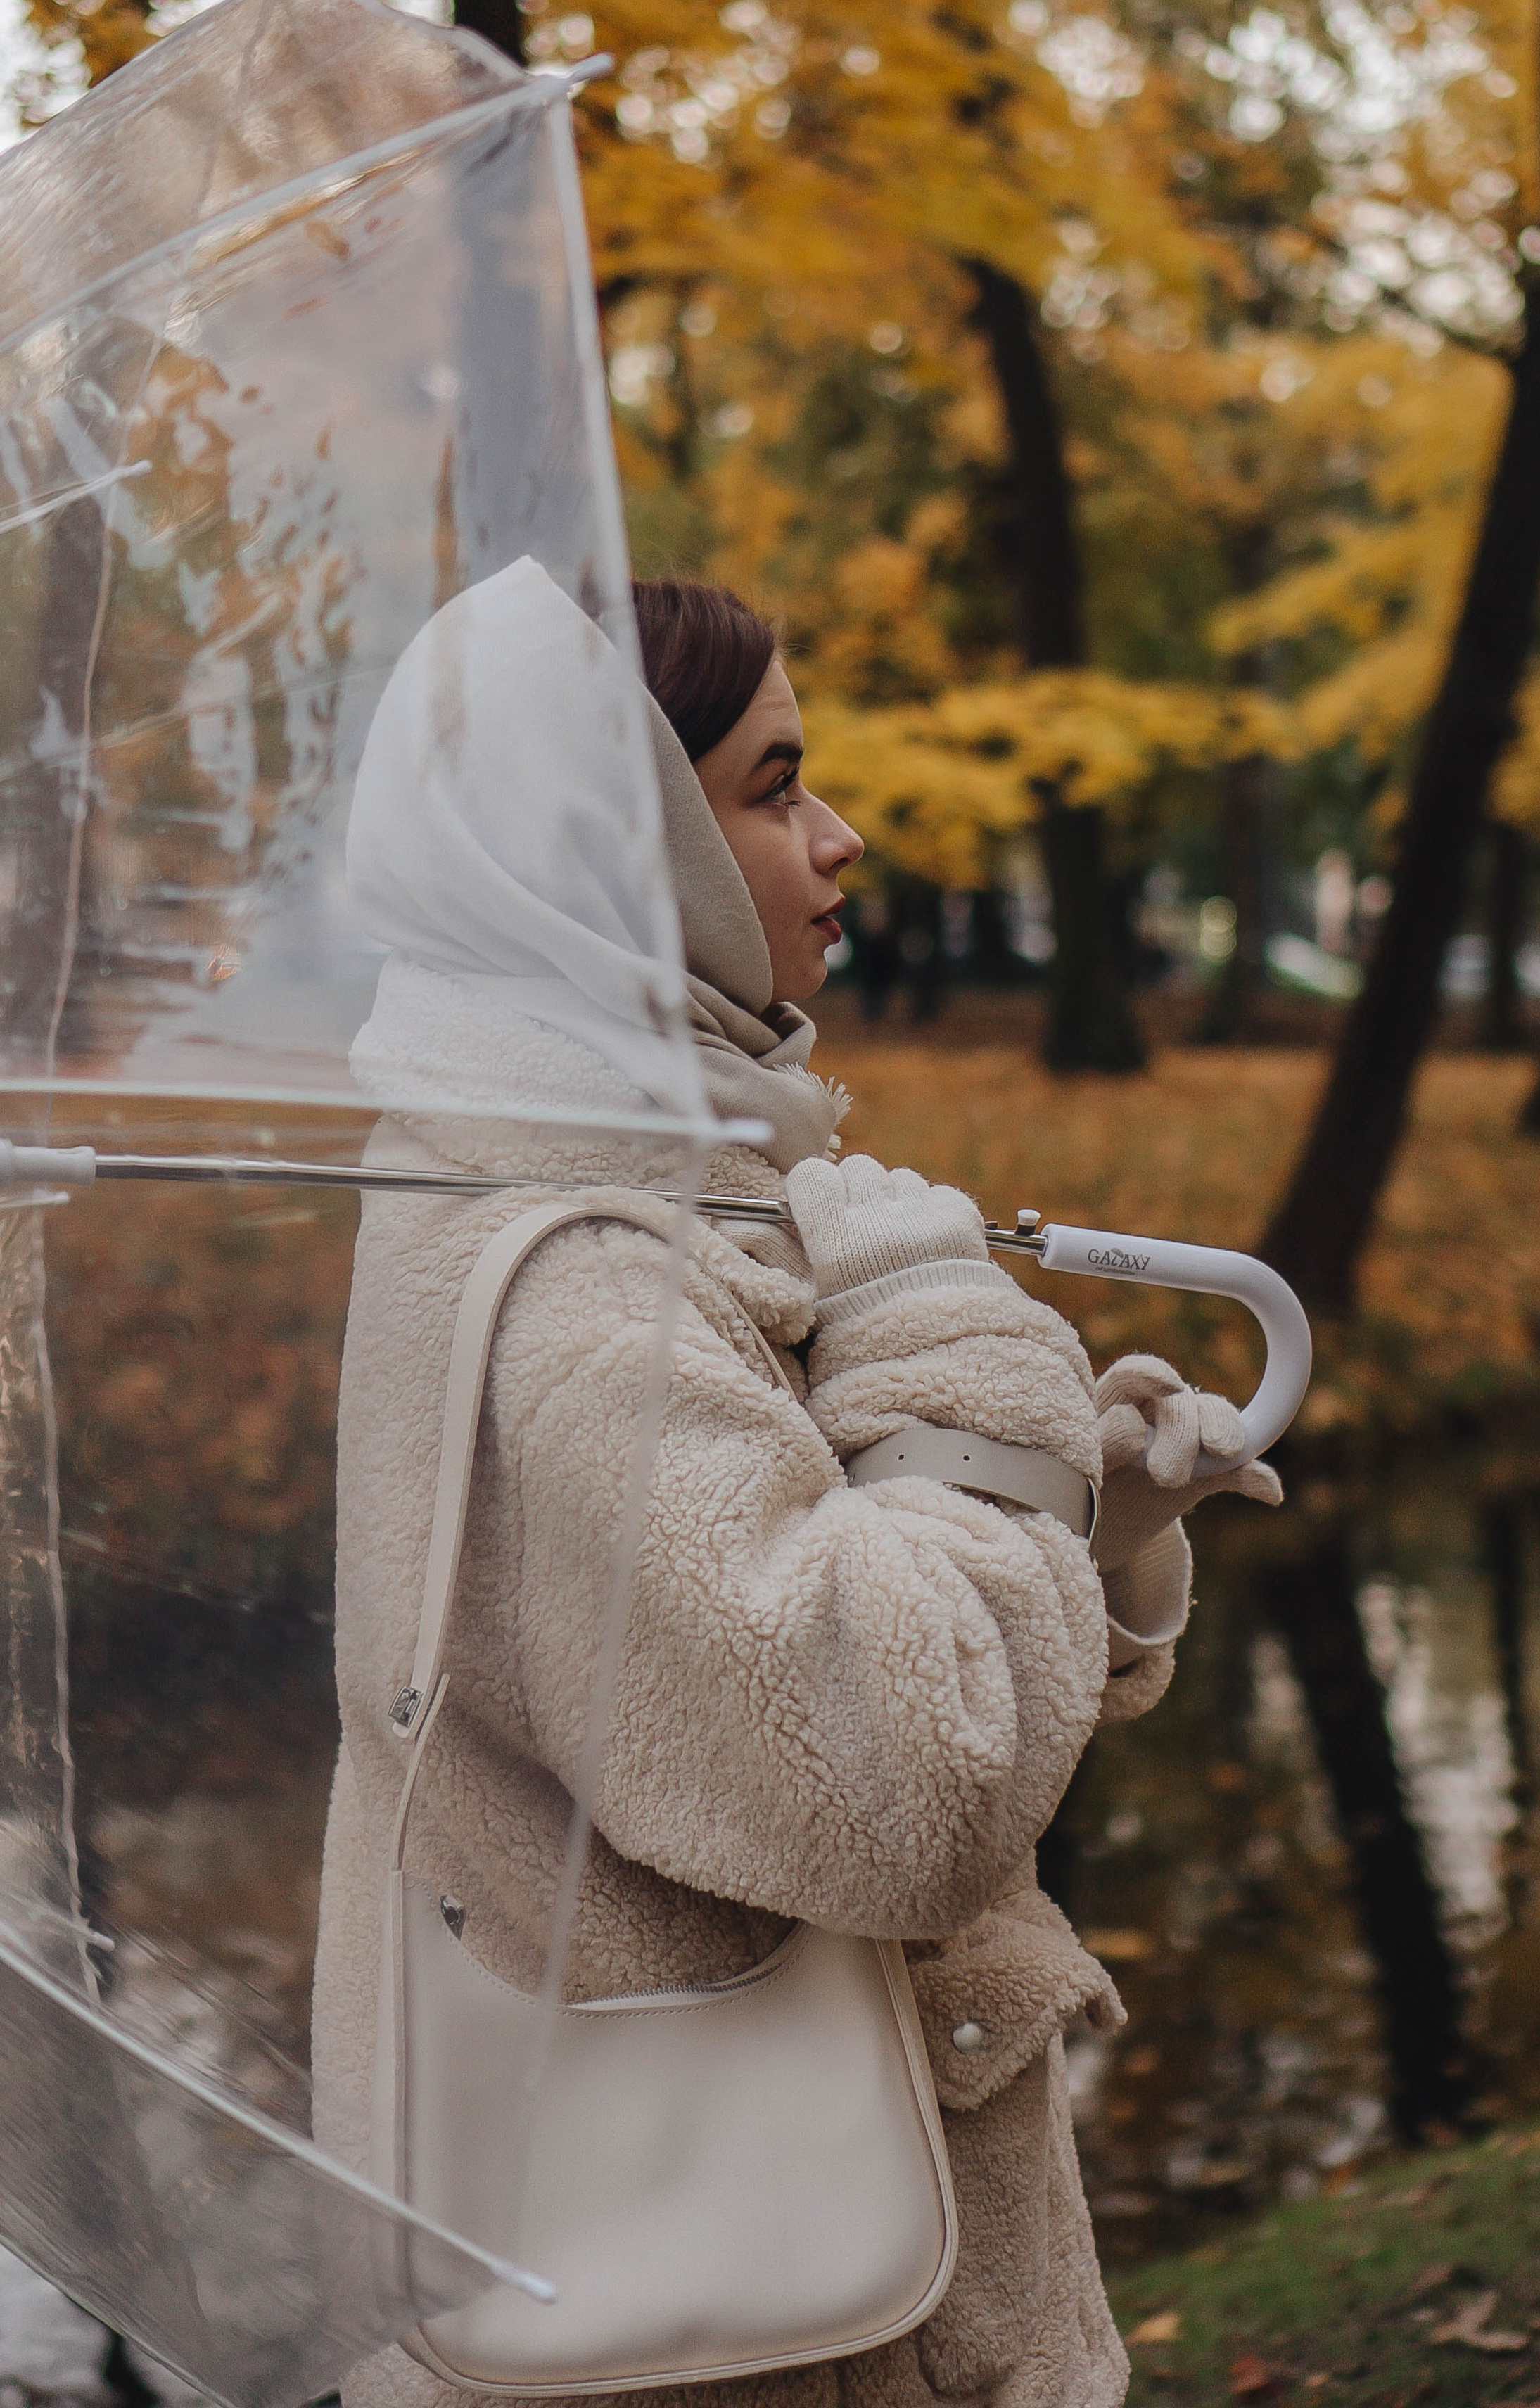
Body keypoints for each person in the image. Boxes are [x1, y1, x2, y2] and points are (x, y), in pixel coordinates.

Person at [312, 556, 1280, 2408]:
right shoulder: (582, 1274)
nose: (839, 840)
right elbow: (908, 1781)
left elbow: (712, 1673)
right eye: (771, 791)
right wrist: (941, 1327)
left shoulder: (571, 1173)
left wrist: (1076, 1519)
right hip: (791, 2343)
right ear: (624, 854)